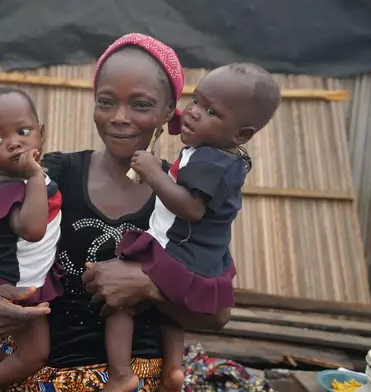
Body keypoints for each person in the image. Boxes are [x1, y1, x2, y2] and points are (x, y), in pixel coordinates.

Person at [0, 33, 233, 392]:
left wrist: (149, 288)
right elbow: (2, 259)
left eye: (140, 105)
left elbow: (217, 314)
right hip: (44, 376)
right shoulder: (52, 175)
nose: (119, 118)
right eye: (106, 102)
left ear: (169, 110)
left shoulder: (184, 197)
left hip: (138, 381)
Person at [118, 62, 281, 391]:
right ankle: (174, 369)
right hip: (204, 256)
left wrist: (153, 173)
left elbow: (191, 208)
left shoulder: (209, 162)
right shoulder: (223, 152)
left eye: (210, 111)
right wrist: (174, 115)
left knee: (119, 298)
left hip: (180, 251)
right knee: (170, 316)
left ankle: (120, 371)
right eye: (195, 99)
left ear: (241, 134)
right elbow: (189, 123)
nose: (192, 113)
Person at [0, 87, 65, 391]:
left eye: (23, 131)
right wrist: (34, 177)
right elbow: (33, 230)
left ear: (41, 133)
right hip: (15, 287)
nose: (13, 143)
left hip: (35, 276)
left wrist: (35, 176)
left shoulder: (40, 174)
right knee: (35, 353)